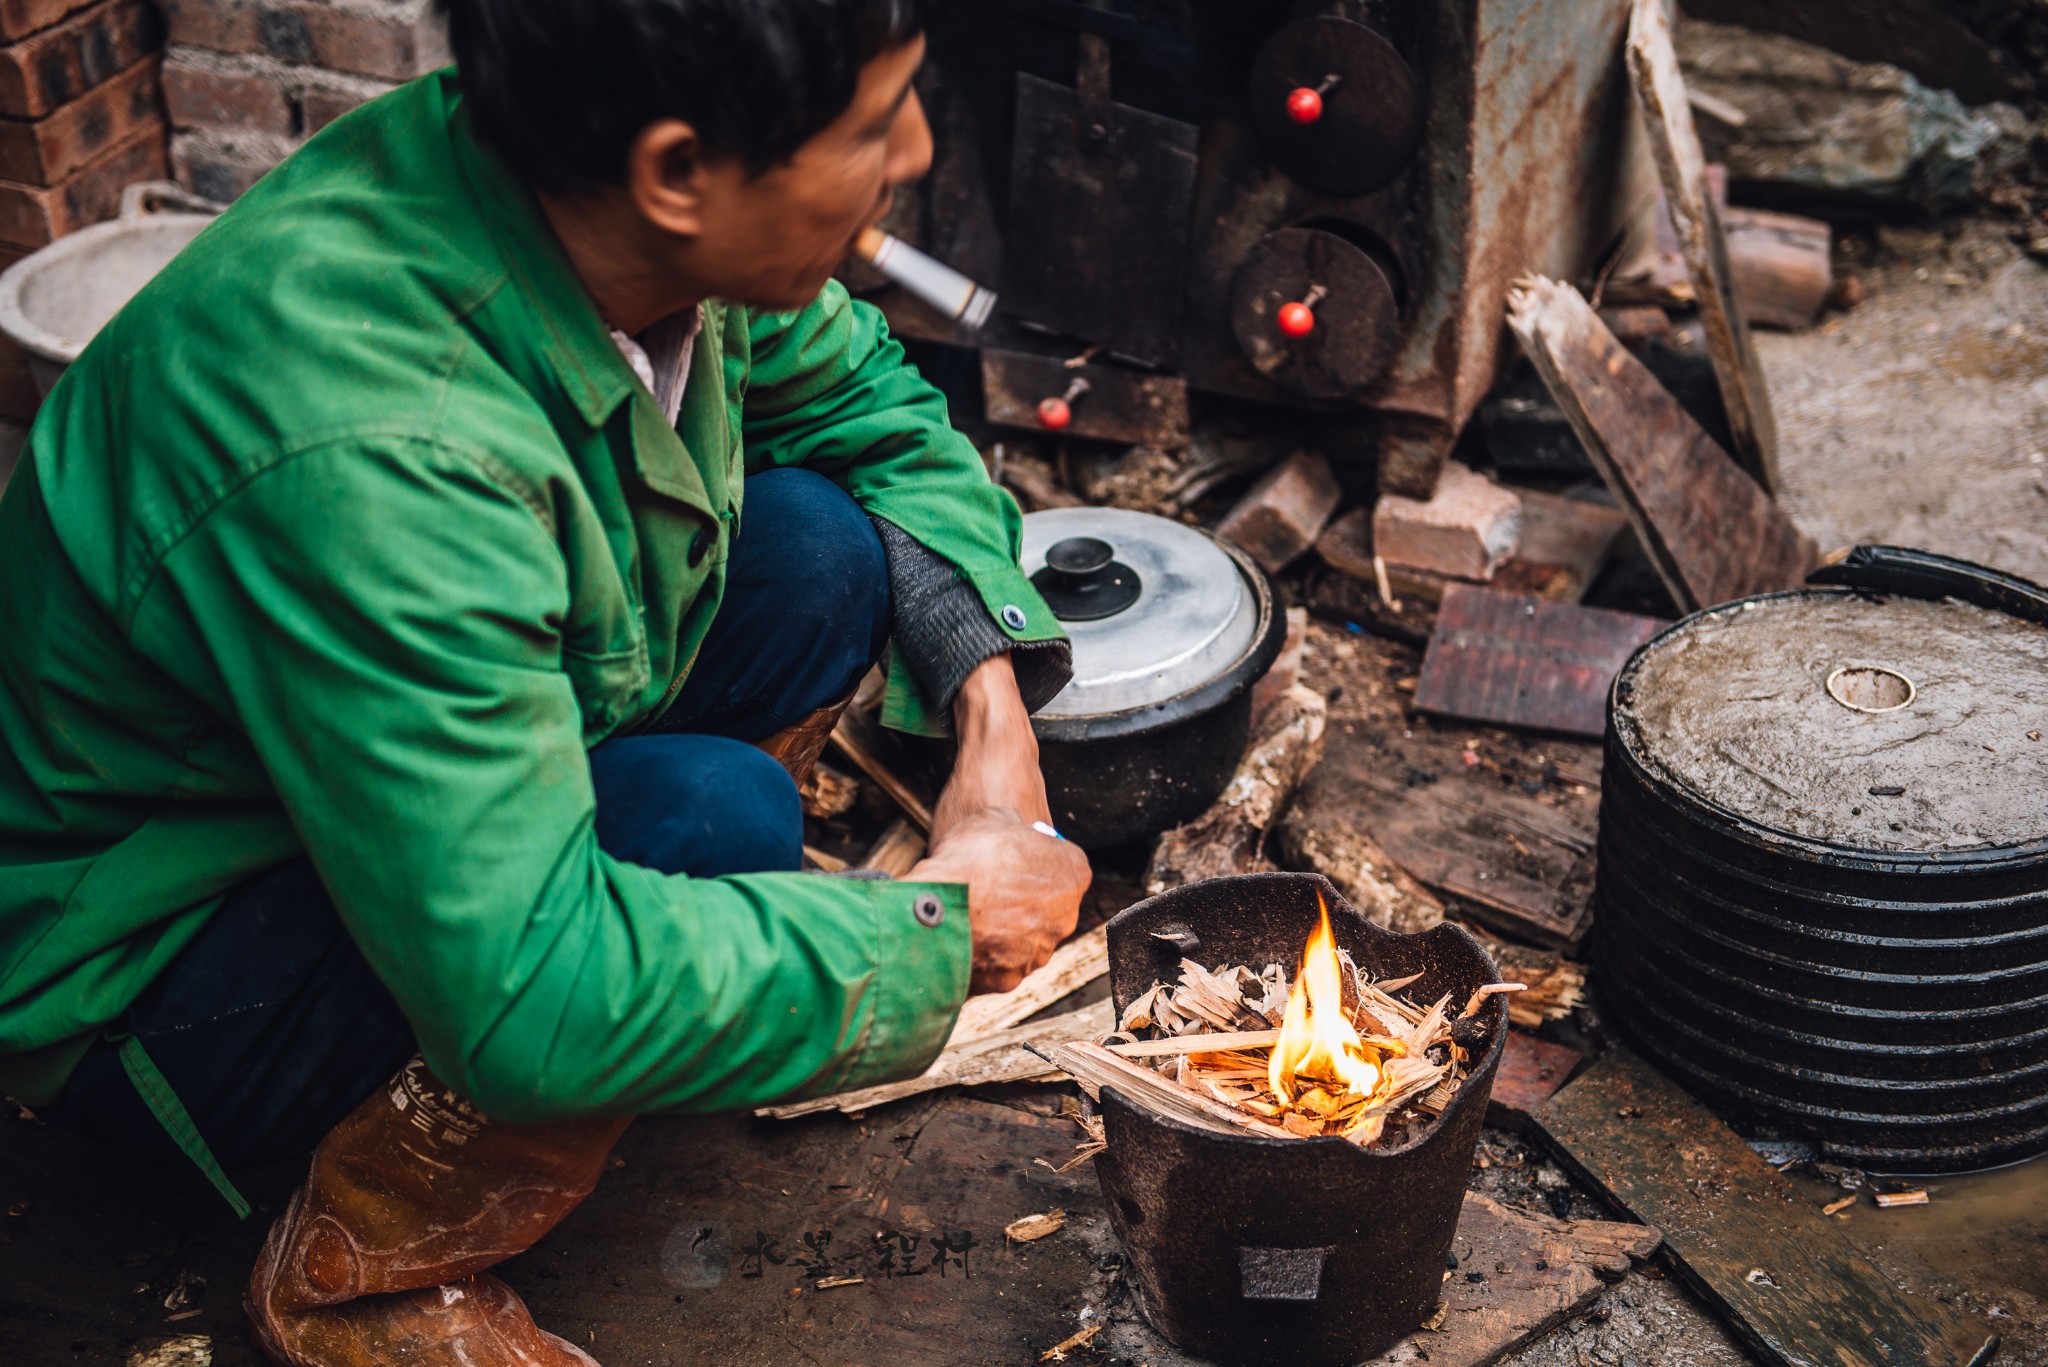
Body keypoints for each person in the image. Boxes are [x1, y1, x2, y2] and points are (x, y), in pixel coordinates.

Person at [0, 0, 1093, 1361]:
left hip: (389, 780)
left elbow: (868, 403)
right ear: (680, 172)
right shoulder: (381, 446)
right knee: (711, 825)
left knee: (818, 551)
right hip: (158, 974)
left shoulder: (610, 222)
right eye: (875, 123)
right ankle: (364, 1274)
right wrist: (932, 938)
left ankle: (680, 965)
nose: (917, 150)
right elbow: (529, 997)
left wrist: (992, 722)